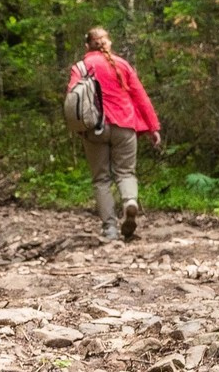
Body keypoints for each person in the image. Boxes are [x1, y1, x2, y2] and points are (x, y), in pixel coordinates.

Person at [68, 26, 162, 241]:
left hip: (94, 127)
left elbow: (73, 100)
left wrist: (78, 128)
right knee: (126, 173)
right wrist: (153, 127)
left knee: (101, 179)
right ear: (108, 43)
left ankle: (110, 229)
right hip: (125, 124)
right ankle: (130, 202)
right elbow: (140, 96)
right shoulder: (122, 64)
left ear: (87, 46)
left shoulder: (80, 67)